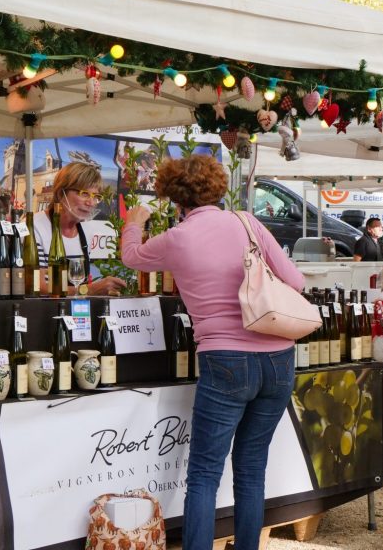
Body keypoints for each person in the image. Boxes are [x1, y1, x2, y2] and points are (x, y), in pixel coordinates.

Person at [121, 154, 303, 550]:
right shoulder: (246, 222)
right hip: (278, 356)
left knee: (204, 473)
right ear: (217, 188)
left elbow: (131, 258)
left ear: (174, 196)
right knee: (252, 469)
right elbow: (296, 280)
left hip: (225, 358)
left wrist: (133, 224)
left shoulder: (177, 237)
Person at [33, 162, 126, 296]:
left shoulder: (85, 230)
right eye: (84, 194)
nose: (91, 203)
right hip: (45, 312)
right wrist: (90, 290)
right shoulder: (35, 227)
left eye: (96, 197)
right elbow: (37, 287)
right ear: (60, 193)